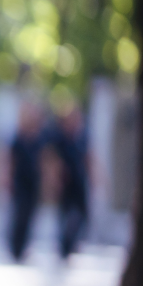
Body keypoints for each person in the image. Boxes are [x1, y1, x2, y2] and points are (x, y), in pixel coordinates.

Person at [49, 104, 89, 260]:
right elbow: (52, 160)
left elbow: (88, 158)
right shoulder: (58, 138)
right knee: (65, 217)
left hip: (79, 184)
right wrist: (54, 181)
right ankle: (63, 248)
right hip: (65, 184)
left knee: (81, 216)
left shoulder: (83, 137)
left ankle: (71, 245)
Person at [6, 101, 44, 261]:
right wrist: (6, 179)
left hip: (33, 183)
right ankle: (14, 249)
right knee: (18, 215)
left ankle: (24, 249)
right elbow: (9, 160)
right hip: (19, 183)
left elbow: (45, 160)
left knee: (30, 216)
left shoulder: (40, 137)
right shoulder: (17, 137)